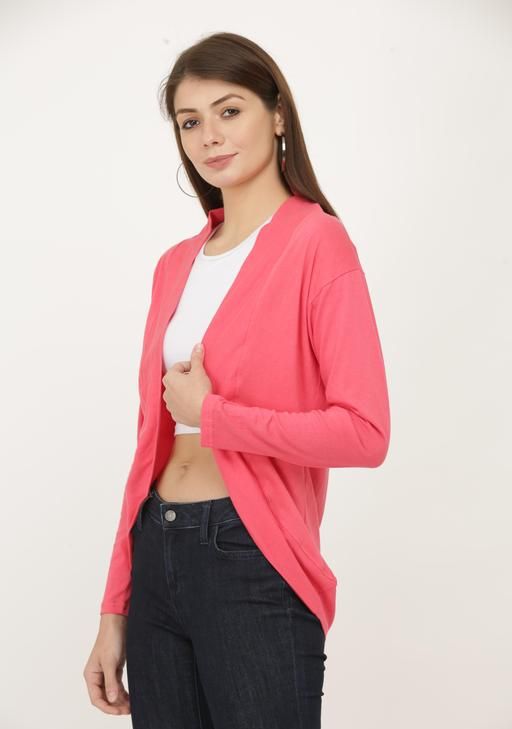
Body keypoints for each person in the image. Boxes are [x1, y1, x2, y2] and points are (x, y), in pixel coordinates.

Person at [83, 31, 391, 728]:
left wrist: (215, 415)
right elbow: (147, 445)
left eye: (229, 111)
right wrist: (114, 605)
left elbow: (365, 432)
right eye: (190, 122)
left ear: (277, 114)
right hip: (155, 549)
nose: (210, 136)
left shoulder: (317, 242)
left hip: (250, 554)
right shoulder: (175, 264)